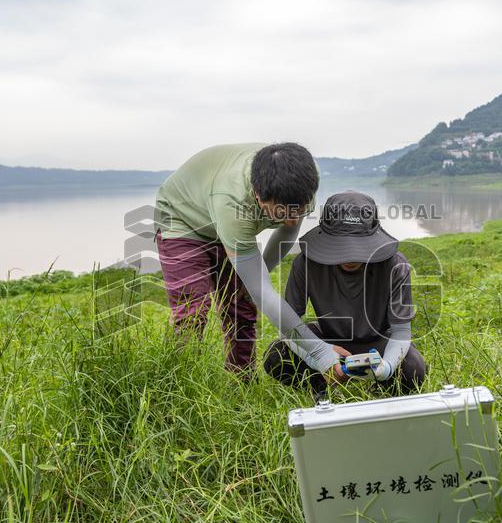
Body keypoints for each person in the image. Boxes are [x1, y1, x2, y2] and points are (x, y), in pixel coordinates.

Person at [153, 142, 346, 379]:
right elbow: (262, 292)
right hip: (181, 219)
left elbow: (287, 233)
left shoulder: (302, 179)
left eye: (299, 211)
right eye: (281, 214)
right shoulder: (233, 204)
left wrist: (258, 274)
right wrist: (320, 353)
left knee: (241, 302)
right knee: (192, 311)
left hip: (220, 214)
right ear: (257, 195)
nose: (291, 220)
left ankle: (241, 381)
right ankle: (178, 383)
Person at [263, 191, 427, 398]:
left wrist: (386, 368)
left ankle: (380, 389)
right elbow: (288, 326)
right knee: (277, 356)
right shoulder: (305, 263)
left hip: (377, 343)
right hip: (330, 341)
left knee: (414, 369)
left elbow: (401, 332)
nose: (350, 257)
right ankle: (321, 389)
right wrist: (320, 356)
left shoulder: (395, 265)